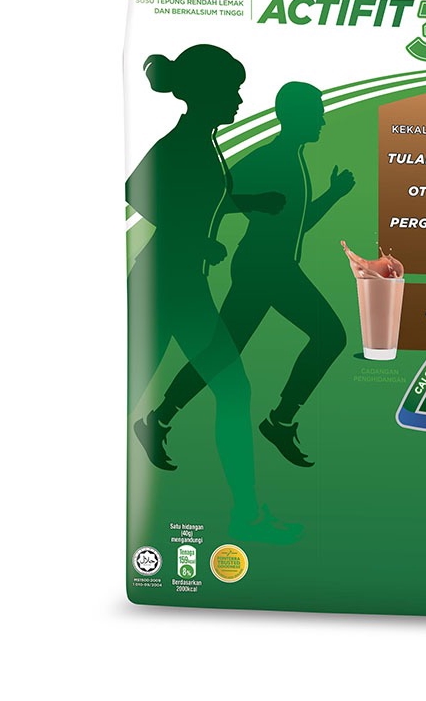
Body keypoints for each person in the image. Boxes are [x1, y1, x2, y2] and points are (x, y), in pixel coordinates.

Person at [126, 44, 299, 544]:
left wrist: (251, 202)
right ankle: (247, 516)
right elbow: (135, 191)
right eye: (232, 92)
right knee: (228, 389)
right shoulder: (182, 143)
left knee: (225, 389)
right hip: (167, 284)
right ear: (207, 94)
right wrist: (193, 239)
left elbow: (201, 196)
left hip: (179, 283)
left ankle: (246, 513)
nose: (240, 101)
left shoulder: (204, 141)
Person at [136, 81, 355, 470]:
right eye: (316, 113)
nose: (322, 120)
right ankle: (279, 421)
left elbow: (299, 224)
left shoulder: (294, 159)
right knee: (330, 336)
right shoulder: (269, 158)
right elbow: (217, 199)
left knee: (221, 353)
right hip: (264, 269)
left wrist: (333, 195)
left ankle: (160, 420)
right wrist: (206, 238)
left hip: (273, 267)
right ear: (295, 117)